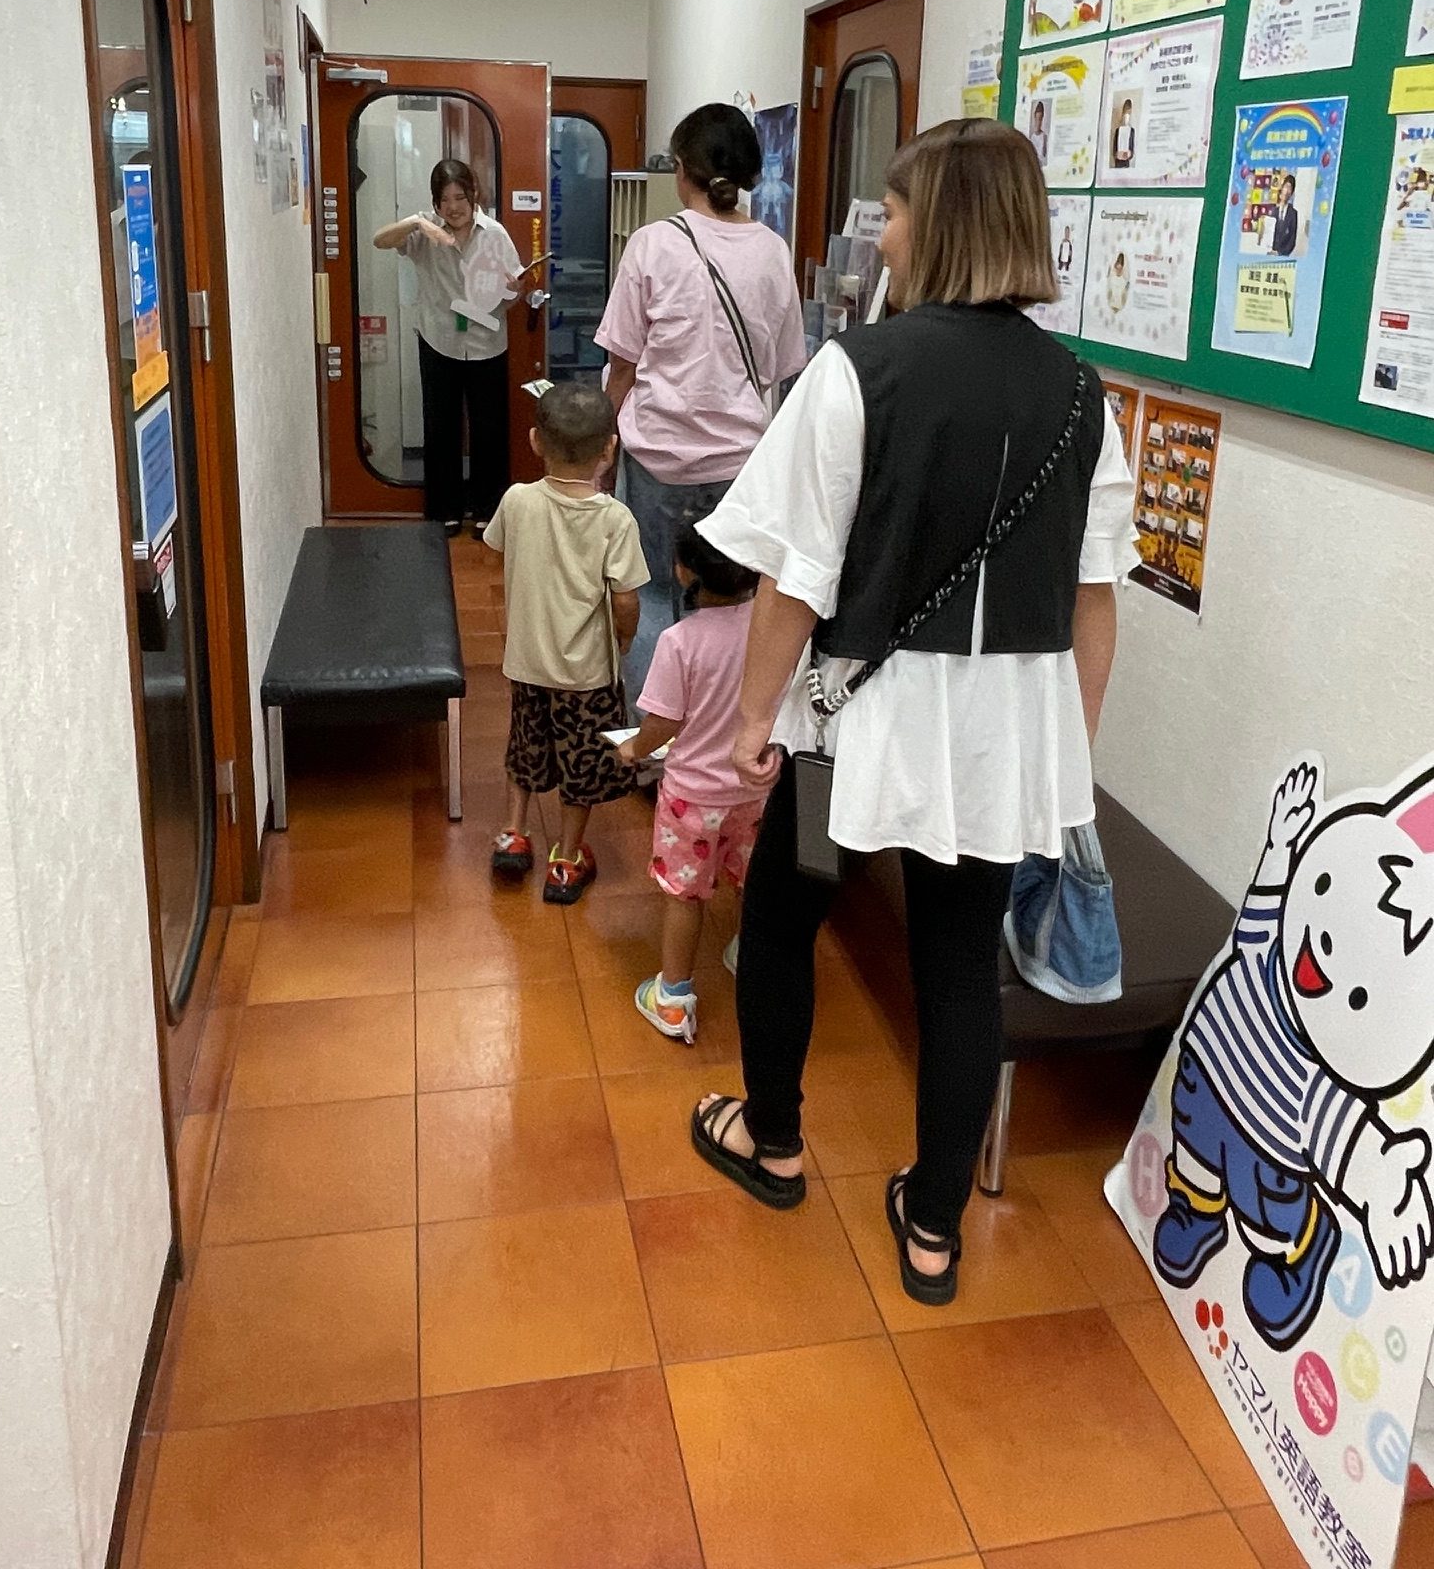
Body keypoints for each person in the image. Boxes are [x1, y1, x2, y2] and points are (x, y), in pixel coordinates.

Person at [684, 117, 1135, 1307]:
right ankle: (933, 1226)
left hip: (849, 720)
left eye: (891, 213)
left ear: (940, 225)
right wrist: (1067, 752)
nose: (879, 235)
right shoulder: (1084, 395)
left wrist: (753, 720)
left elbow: (794, 580)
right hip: (998, 738)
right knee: (958, 965)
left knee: (785, 912)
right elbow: (1094, 601)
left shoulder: (858, 372)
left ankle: (772, 1139)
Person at [596, 103, 806, 699]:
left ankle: (655, 735)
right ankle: (719, 730)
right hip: (739, 467)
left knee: (653, 594)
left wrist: (606, 448)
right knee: (732, 603)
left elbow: (622, 366)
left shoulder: (651, 244)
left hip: (657, 459)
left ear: (681, 169)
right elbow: (782, 368)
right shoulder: (773, 250)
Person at [482, 383, 648, 903]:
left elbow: (495, 553)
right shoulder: (615, 519)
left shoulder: (516, 500)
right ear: (610, 450)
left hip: (527, 660)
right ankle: (567, 859)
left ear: (535, 441)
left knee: (524, 745)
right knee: (583, 762)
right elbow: (625, 599)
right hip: (587, 673)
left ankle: (513, 834)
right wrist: (624, 640)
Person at [618, 523, 763, 1045]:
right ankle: (749, 954)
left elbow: (663, 722)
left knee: (684, 895)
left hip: (692, 799)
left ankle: (674, 999)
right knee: (751, 880)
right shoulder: (770, 627)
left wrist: (633, 749)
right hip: (755, 789)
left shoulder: (678, 641)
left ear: (683, 572)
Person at [373, 158, 520, 536]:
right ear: (435, 202)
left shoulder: (495, 234)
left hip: (487, 343)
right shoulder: (424, 231)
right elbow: (380, 240)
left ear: (473, 195)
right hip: (438, 340)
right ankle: (445, 510)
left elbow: (514, 292)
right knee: (441, 429)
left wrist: (513, 290)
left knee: (489, 431)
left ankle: (488, 510)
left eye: (460, 197)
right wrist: (417, 222)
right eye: (445, 199)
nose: (453, 207)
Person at [1271, 174, 1300, 257]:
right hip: (1270, 253)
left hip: (1283, 255)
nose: (1286, 191)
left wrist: (1281, 253)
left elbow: (1292, 240)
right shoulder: (1274, 211)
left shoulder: (1293, 214)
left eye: (1289, 188)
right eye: (1286, 187)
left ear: (1292, 193)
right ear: (1282, 188)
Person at [1112, 99, 1136, 169]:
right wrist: (1116, 154)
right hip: (1117, 162)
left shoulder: (1132, 131)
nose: (1126, 118)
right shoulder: (1118, 130)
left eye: (1128, 116)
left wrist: (1129, 154)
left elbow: (1132, 147)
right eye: (1125, 116)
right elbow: (1114, 147)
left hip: (1126, 163)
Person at [1028, 98, 1049, 165]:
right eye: (1037, 119)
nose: (1038, 122)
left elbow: (1044, 156)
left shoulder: (1044, 137)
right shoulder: (1031, 137)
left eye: (1040, 119)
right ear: (1034, 118)